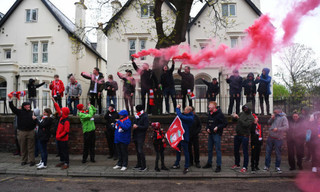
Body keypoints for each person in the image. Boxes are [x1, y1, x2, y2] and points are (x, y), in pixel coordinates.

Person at [9, 95, 36, 166]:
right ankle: (24, 160)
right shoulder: (20, 112)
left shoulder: (32, 112)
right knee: (23, 147)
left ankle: (32, 161)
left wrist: (35, 119)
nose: (28, 107)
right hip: (22, 132)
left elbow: (36, 122)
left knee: (31, 147)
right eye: (27, 106)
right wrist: (10, 100)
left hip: (31, 131)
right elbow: (13, 108)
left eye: (29, 105)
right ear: (24, 106)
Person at [202, 101, 227, 172]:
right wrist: (207, 128)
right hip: (210, 134)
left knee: (217, 150)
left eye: (210, 105)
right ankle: (209, 163)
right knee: (209, 149)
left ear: (214, 106)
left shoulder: (220, 114)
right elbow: (208, 123)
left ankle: (218, 166)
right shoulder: (210, 114)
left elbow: (225, 123)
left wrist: (218, 127)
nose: (208, 106)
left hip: (217, 134)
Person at [264, 107, 289, 174]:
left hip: (278, 139)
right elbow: (268, 122)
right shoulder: (274, 116)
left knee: (278, 153)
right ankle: (266, 166)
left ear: (279, 111)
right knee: (267, 152)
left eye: (275, 112)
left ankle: (277, 167)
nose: (274, 113)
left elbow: (286, 127)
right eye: (274, 112)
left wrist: (278, 129)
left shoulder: (284, 117)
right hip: (271, 137)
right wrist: (272, 118)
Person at [231, 103, 254, 173]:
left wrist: (238, 118)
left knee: (245, 152)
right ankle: (237, 164)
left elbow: (245, 125)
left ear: (249, 108)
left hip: (245, 136)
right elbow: (235, 121)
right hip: (238, 135)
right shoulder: (241, 113)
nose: (245, 108)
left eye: (246, 107)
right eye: (244, 107)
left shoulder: (251, 117)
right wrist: (234, 117)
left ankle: (245, 167)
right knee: (236, 150)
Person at [172, 105, 194, 174]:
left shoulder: (190, 117)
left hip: (184, 137)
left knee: (186, 152)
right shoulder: (186, 116)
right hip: (179, 135)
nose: (184, 111)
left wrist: (177, 108)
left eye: (185, 110)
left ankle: (186, 166)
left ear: (188, 111)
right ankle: (177, 163)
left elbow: (181, 116)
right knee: (178, 150)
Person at [52, 97, 70, 170]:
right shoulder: (62, 117)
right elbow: (58, 109)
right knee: (60, 151)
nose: (61, 112)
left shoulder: (66, 121)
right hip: (59, 138)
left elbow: (66, 131)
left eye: (62, 111)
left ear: (64, 112)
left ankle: (66, 162)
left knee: (64, 151)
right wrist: (54, 101)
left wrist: (59, 136)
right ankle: (62, 161)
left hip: (63, 139)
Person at [132, 105, 149, 171]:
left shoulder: (145, 116)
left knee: (140, 150)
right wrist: (134, 124)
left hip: (141, 135)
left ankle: (144, 166)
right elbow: (134, 122)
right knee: (137, 151)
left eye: (136, 109)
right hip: (136, 134)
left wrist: (138, 126)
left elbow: (146, 126)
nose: (135, 111)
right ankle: (139, 164)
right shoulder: (137, 115)